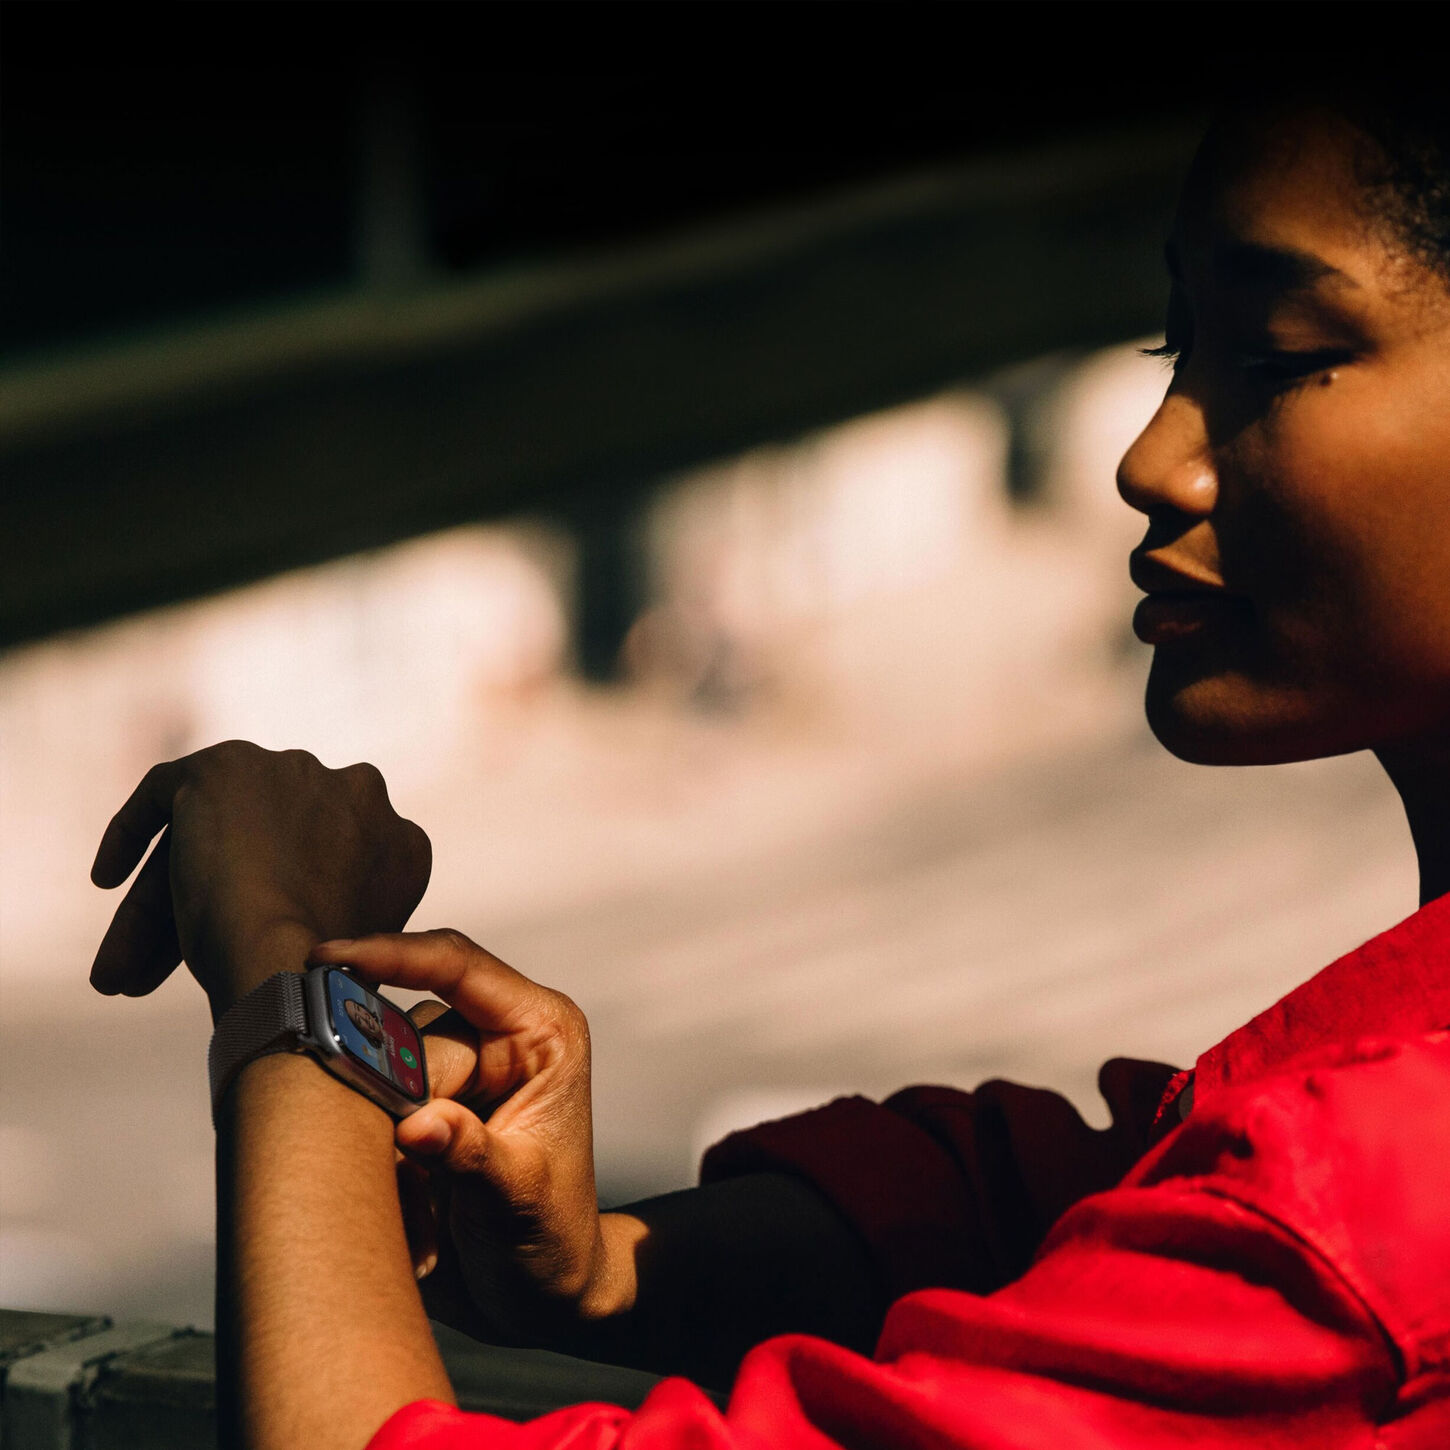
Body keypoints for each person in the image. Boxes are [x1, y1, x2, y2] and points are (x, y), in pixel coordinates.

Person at [87, 64, 1450, 1450]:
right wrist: (617, 1266)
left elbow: (1279, 1235)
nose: (1153, 461)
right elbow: (1119, 1193)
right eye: (1177, 349)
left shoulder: (1365, 1212)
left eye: (1274, 354)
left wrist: (291, 995)